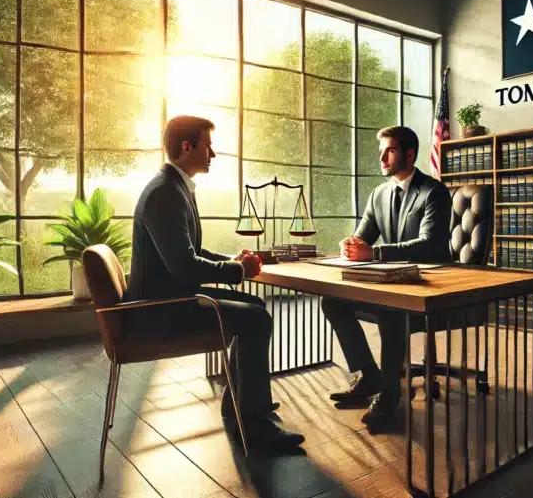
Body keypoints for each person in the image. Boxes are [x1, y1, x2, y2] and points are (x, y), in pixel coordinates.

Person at [126, 115, 304, 453]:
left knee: (256, 307)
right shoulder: (165, 193)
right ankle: (254, 427)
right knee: (257, 319)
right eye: (208, 146)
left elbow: (189, 251)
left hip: (172, 297)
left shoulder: (173, 187)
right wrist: (236, 271)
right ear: (187, 147)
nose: (214, 154)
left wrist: (232, 262)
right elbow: (183, 265)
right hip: (162, 311)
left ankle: (239, 403)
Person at [321, 125, 453, 431]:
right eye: (380, 150)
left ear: (409, 154)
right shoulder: (379, 194)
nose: (381, 157)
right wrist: (350, 245)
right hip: (393, 284)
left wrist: (375, 254)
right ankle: (370, 376)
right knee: (332, 302)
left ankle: (391, 392)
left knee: (389, 309)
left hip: (430, 293)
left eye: (389, 150)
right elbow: (362, 237)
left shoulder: (434, 192)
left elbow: (431, 245)